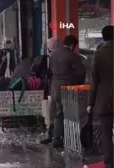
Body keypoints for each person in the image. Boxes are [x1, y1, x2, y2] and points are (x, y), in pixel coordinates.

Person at [49, 35, 86, 148]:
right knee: (70, 115)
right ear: (72, 45)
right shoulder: (72, 56)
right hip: (69, 88)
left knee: (59, 113)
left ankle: (57, 138)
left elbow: (50, 70)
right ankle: (70, 140)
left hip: (56, 87)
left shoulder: (53, 55)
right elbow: (81, 73)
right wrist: (79, 84)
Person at [87, 25, 114, 168]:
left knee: (106, 134)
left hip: (105, 100)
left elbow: (94, 80)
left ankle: (110, 162)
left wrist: (90, 103)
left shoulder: (98, 54)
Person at [40, 37, 63, 145]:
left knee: (56, 112)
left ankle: (54, 136)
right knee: (55, 112)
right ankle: (54, 135)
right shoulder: (52, 58)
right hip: (54, 89)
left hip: (55, 89)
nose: (48, 52)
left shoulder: (54, 58)